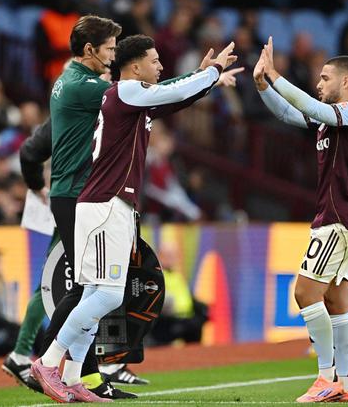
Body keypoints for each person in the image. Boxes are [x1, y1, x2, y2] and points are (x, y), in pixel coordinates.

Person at [30, 35, 237, 403]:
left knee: (95, 294)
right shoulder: (126, 91)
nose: (160, 66)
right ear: (135, 66)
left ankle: (74, 377)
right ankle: (48, 362)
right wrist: (210, 71)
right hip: (105, 206)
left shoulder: (131, 100)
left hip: (111, 206)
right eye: (154, 61)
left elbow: (174, 98)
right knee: (109, 294)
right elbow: (172, 92)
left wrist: (206, 79)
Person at [255, 37, 348, 403]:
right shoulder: (331, 120)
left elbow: (309, 106)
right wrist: (262, 85)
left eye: (325, 78)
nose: (319, 84)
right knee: (337, 302)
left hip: (338, 219)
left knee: (305, 293)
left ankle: (325, 377)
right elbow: (290, 114)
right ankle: (346, 386)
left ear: (346, 82)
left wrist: (275, 74)